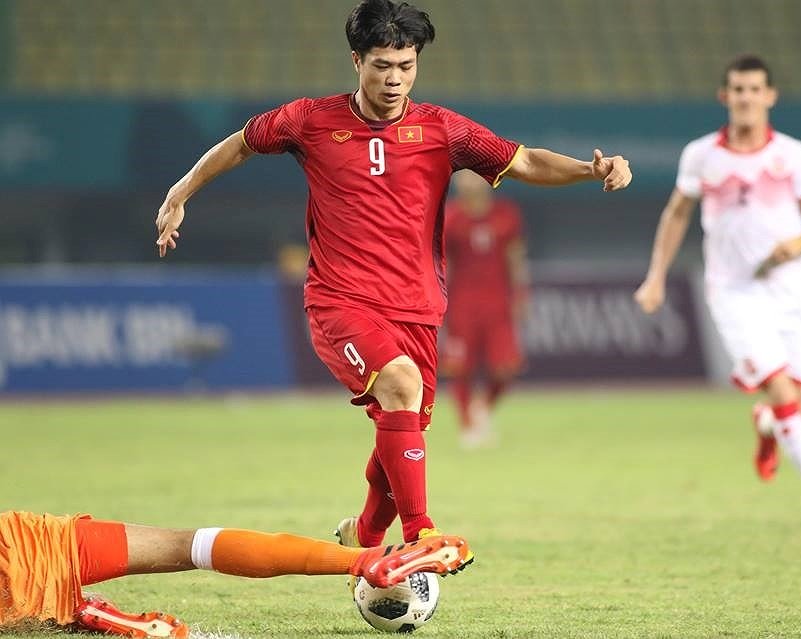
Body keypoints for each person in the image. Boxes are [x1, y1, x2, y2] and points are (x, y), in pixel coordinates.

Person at [154, 0, 631, 567]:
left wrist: (589, 169)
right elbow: (240, 144)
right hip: (341, 302)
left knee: (401, 425)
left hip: (419, 310)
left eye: (406, 65)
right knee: (400, 387)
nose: (394, 78)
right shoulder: (311, 120)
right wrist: (180, 192)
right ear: (356, 60)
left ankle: (364, 531)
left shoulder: (441, 130)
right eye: (382, 64)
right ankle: (421, 534)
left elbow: (523, 162)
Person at [633, 54, 801, 528]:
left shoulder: (794, 155)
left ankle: (765, 425)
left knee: (798, 407)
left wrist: (793, 245)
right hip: (734, 292)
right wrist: (655, 276)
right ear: (725, 97)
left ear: (770, 96)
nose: (746, 98)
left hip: (792, 289)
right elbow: (677, 213)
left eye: (755, 89)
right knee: (784, 395)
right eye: (738, 90)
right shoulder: (702, 155)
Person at [0, 510, 470, 638]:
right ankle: (361, 560)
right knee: (187, 545)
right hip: (19, 535)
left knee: (28, 610)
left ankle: (87, 619)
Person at [442, 170, 530, 448]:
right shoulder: (450, 218)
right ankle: (468, 426)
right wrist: (439, 301)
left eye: (474, 176)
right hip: (462, 304)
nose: (468, 182)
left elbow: (515, 257)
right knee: (460, 368)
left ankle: (482, 408)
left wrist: (521, 294)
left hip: (497, 303)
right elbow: (443, 265)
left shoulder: (506, 215)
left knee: (506, 367)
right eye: (463, 177)